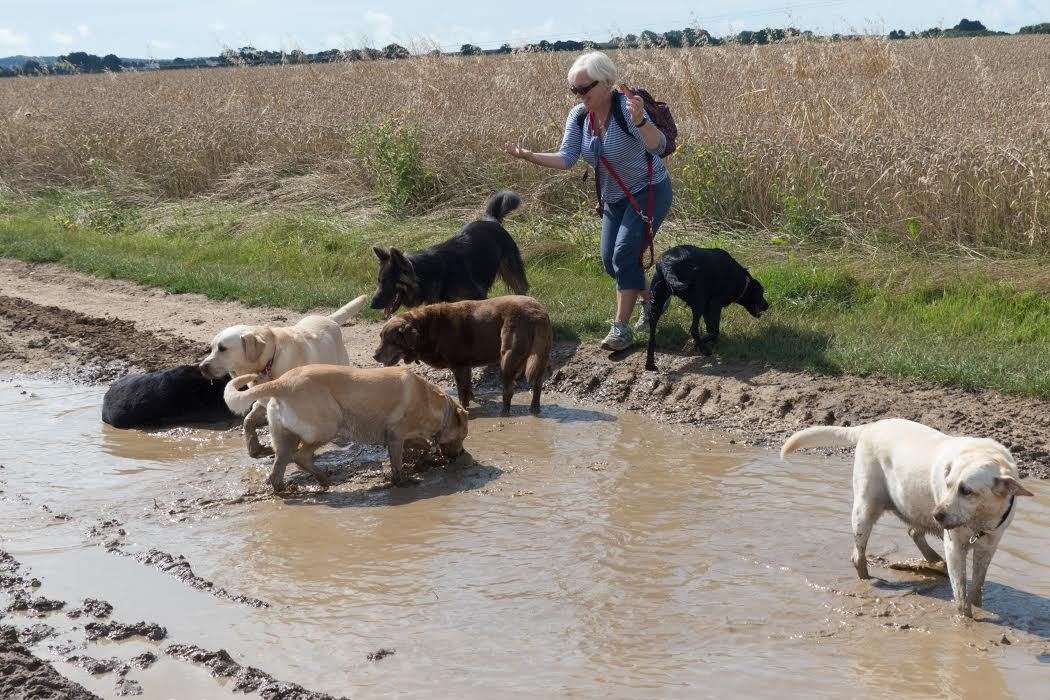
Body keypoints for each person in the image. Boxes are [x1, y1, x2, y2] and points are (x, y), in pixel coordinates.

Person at [505, 50, 673, 351]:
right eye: (574, 90)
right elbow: (567, 158)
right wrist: (530, 157)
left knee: (624, 255)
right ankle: (653, 301)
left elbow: (658, 147)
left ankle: (620, 329)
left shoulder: (628, 109)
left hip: (649, 190)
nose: (580, 95)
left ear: (606, 82)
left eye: (585, 88)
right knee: (611, 261)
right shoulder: (580, 116)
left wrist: (642, 121)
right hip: (614, 197)